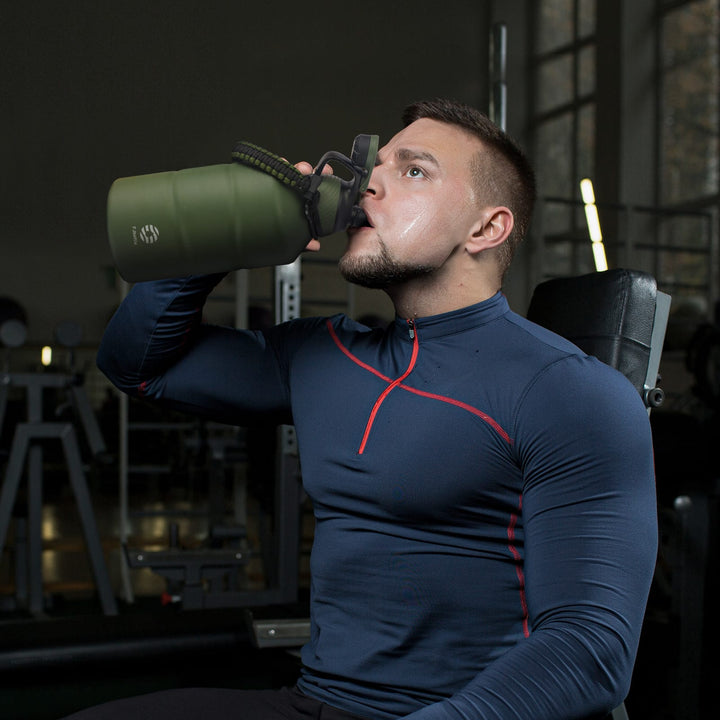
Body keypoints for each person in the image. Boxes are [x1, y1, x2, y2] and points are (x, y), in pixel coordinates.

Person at [69, 99, 657, 720]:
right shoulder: (324, 356)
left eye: (414, 171)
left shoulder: (570, 391)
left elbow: (591, 650)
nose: (366, 182)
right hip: (317, 703)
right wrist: (227, 231)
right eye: (374, 165)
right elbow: (136, 365)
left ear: (486, 229)